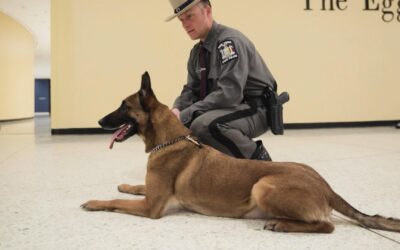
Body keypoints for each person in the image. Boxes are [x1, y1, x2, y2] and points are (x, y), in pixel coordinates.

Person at [167, 0, 277, 161]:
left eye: (190, 16)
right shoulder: (197, 52)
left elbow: (229, 94)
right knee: (182, 124)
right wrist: (177, 110)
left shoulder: (229, 43)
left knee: (204, 125)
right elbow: (191, 89)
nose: (185, 24)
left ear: (207, 11)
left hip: (255, 108)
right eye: (181, 20)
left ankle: (261, 164)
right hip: (230, 108)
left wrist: (185, 114)